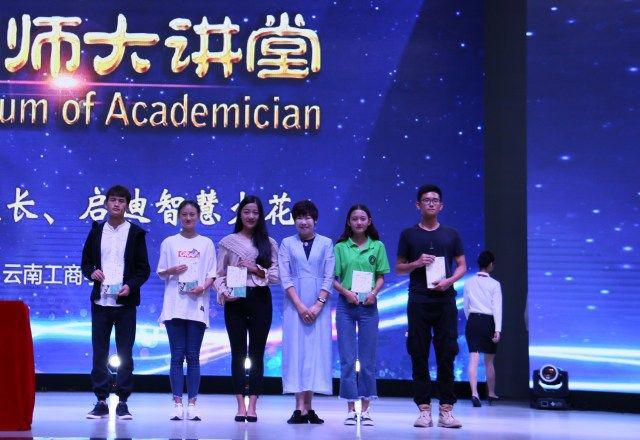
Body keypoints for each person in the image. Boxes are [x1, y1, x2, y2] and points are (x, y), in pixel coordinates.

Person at [395, 184, 466, 429]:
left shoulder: (451, 234)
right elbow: (399, 268)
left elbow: (462, 266)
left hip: (445, 300)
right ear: (418, 205)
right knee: (419, 352)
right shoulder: (408, 234)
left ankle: (446, 410)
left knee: (447, 353)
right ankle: (424, 410)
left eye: (435, 200)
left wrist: (448, 281)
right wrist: (416, 263)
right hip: (418, 300)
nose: (431, 203)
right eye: (426, 200)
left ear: (441, 205)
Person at [82, 185, 150, 420]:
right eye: (113, 200)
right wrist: (92, 272)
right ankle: (101, 400)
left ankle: (123, 401)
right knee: (99, 352)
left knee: (125, 353)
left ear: (127, 205)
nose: (116, 204)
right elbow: (85, 263)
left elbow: (143, 269)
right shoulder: (96, 231)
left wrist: (130, 285)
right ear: (106, 204)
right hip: (101, 302)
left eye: (121, 201)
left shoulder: (136, 233)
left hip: (125, 303)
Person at [214, 195, 279, 422]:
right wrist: (223, 292)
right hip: (235, 300)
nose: (251, 216)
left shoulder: (269, 243)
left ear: (260, 216)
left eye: (255, 212)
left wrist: (255, 269)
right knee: (238, 353)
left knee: (257, 353)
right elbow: (218, 274)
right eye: (246, 212)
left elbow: (276, 276)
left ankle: (253, 406)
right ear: (240, 214)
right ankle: (240, 405)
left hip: (260, 299)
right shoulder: (227, 242)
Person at [157, 200, 217, 421]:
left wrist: (203, 287)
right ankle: (176, 403)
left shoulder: (206, 243)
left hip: (196, 305)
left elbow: (212, 273)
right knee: (176, 356)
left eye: (192, 214)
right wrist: (172, 269)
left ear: (199, 216)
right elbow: (161, 272)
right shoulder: (169, 242)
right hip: (174, 305)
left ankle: (192, 404)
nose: (188, 218)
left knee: (193, 356)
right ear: (179, 216)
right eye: (184, 214)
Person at [278, 200, 335, 424]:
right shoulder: (286, 243)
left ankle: (309, 407)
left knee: (314, 352)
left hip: (319, 307)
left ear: (315, 220)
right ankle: (298, 407)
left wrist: (318, 304)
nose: (303, 222)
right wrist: (300, 306)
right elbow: (285, 277)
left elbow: (329, 276)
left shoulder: (326, 243)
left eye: (307, 217)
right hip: (294, 306)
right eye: (299, 218)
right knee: (296, 352)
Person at [333, 204, 390, 426]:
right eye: (354, 218)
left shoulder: (377, 246)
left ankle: (366, 409)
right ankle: (350, 408)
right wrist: (346, 293)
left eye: (362, 218)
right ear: (349, 222)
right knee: (348, 359)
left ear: (369, 221)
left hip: (369, 306)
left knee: (367, 359)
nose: (358, 222)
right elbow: (333, 279)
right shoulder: (340, 247)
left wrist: (373, 293)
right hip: (346, 306)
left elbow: (381, 276)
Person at [463, 250, 502, 407]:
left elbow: (465, 306)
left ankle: (474, 394)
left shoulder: (469, 282)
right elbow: (497, 308)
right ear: (491, 264)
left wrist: (471, 320)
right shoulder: (495, 284)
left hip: (473, 321)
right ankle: (491, 393)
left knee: (473, 358)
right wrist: (497, 329)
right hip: (489, 322)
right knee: (489, 361)